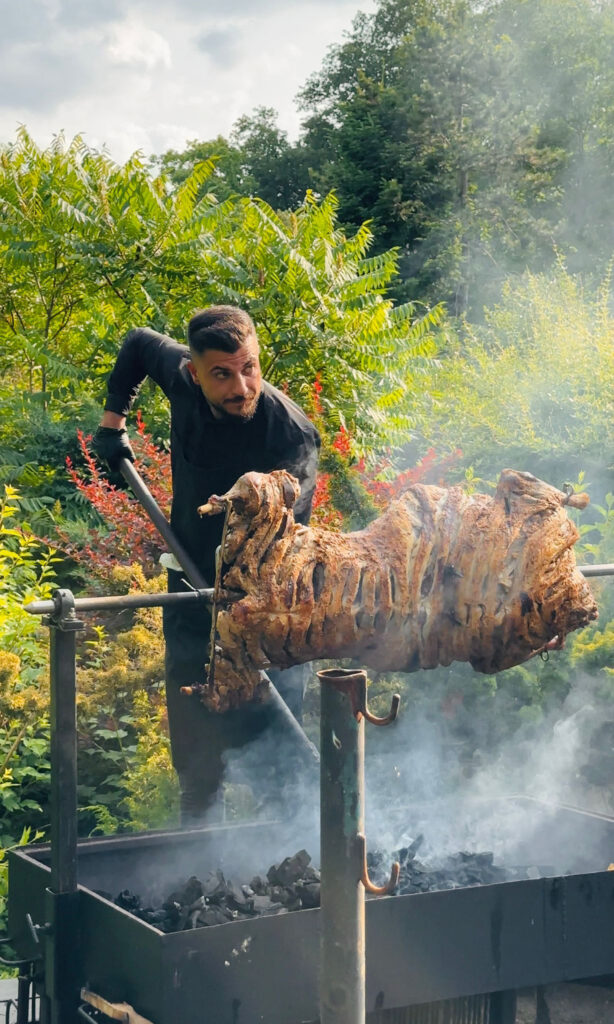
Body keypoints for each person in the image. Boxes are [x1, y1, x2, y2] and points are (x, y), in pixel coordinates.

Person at [93, 305, 320, 825]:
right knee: (196, 758)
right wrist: (113, 422)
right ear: (194, 373)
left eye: (250, 368)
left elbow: (286, 546)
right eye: (222, 374)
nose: (241, 387)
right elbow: (137, 342)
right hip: (189, 588)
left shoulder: (290, 436)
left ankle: (290, 848)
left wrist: (242, 613)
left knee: (277, 760)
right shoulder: (179, 378)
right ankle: (195, 847)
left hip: (262, 607)